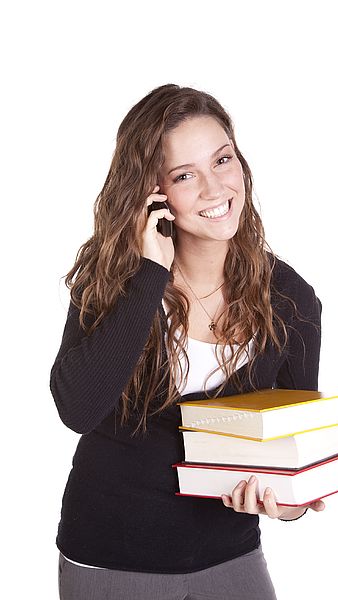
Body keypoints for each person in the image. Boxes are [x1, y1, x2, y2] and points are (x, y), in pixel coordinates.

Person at [50, 83, 324, 600]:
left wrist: (287, 502)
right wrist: (149, 275)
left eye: (222, 160)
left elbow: (294, 442)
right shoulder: (114, 281)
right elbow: (78, 409)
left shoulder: (290, 298)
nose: (214, 188)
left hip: (230, 552)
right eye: (183, 175)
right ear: (152, 194)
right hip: (111, 558)